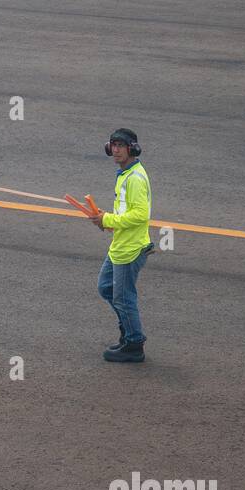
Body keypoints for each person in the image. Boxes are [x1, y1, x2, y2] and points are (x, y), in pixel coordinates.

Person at [89, 129, 154, 363]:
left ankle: (134, 344)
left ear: (132, 148)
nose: (116, 149)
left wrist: (107, 220)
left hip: (130, 249)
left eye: (121, 145)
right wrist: (107, 222)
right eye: (113, 145)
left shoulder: (134, 178)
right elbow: (125, 213)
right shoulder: (125, 174)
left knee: (123, 298)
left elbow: (140, 214)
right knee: (106, 287)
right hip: (120, 245)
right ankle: (127, 330)